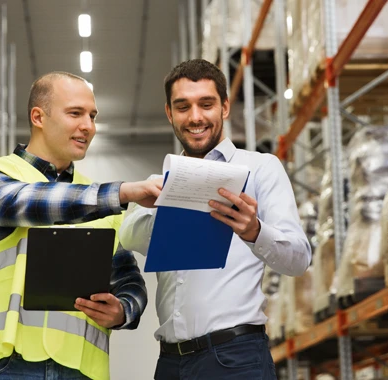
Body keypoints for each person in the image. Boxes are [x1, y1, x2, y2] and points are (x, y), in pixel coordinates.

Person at [0, 71, 163, 380]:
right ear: (38, 117)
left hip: (83, 370)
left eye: (93, 116)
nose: (88, 126)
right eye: (75, 113)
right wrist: (122, 192)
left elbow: (128, 280)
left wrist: (124, 310)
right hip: (7, 367)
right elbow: (28, 202)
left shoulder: (99, 198)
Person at [119, 59, 311, 379]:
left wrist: (254, 231)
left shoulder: (261, 168)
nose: (195, 117)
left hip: (234, 358)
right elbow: (129, 236)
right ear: (169, 113)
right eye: (183, 107)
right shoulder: (158, 182)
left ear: (224, 107)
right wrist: (167, 208)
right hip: (170, 362)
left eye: (206, 104)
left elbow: (299, 259)